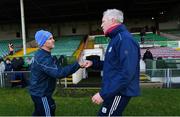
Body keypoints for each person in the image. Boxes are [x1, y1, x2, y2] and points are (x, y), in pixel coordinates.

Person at [84, 9, 140, 116]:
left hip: (119, 92)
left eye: (103, 21)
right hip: (114, 90)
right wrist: (93, 63)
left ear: (113, 20)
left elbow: (127, 72)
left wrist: (103, 94)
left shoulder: (124, 39)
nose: (101, 25)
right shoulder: (116, 38)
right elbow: (112, 65)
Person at [29, 30, 86, 116]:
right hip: (42, 94)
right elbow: (58, 73)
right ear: (43, 42)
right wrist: (78, 64)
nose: (53, 40)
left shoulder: (42, 54)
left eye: (53, 38)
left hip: (38, 93)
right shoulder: (43, 57)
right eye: (50, 38)